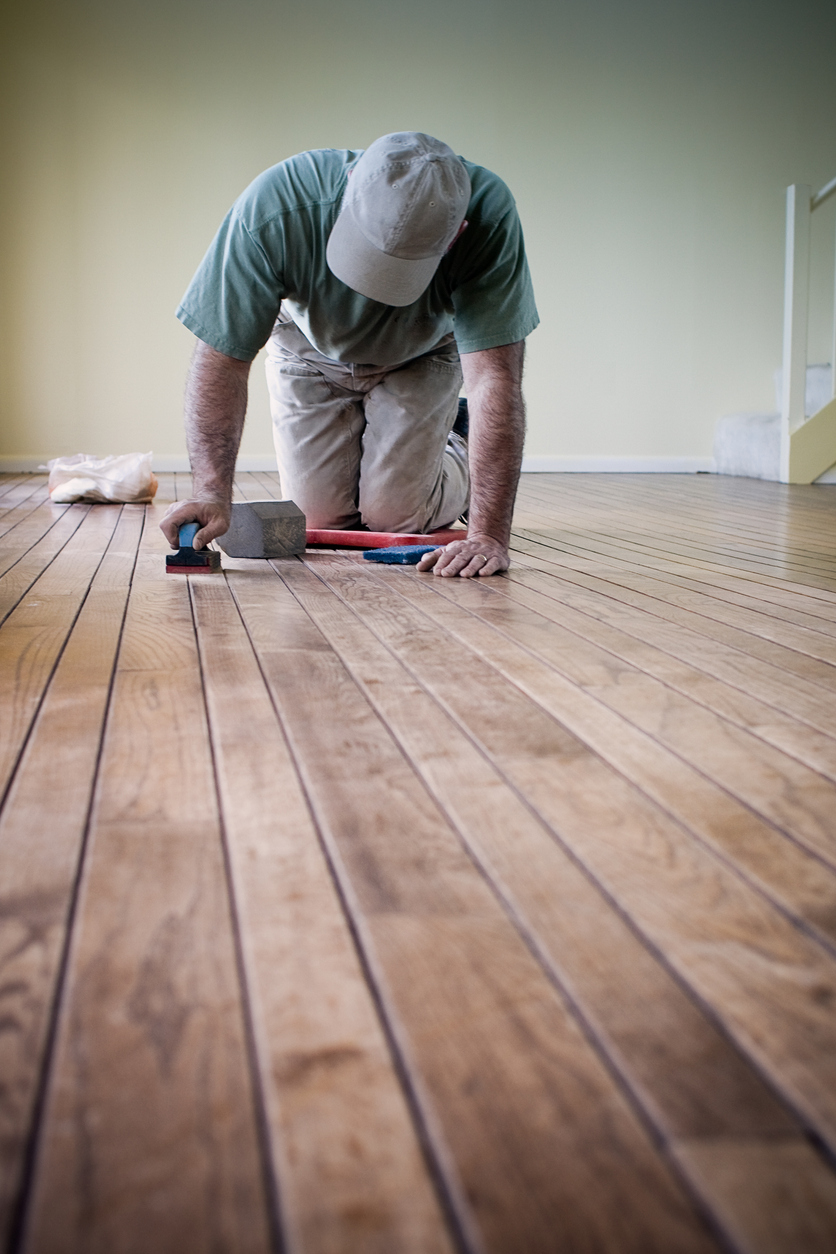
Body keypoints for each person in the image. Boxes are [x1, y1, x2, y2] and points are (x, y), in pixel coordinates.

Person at [161, 131, 538, 577]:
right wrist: (210, 491)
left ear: (456, 234)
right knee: (317, 518)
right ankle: (417, 452)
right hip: (308, 350)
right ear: (351, 180)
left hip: (420, 352)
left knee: (397, 517)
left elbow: (494, 379)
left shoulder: (489, 218)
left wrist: (489, 535)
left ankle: (456, 442)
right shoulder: (275, 207)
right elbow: (221, 359)